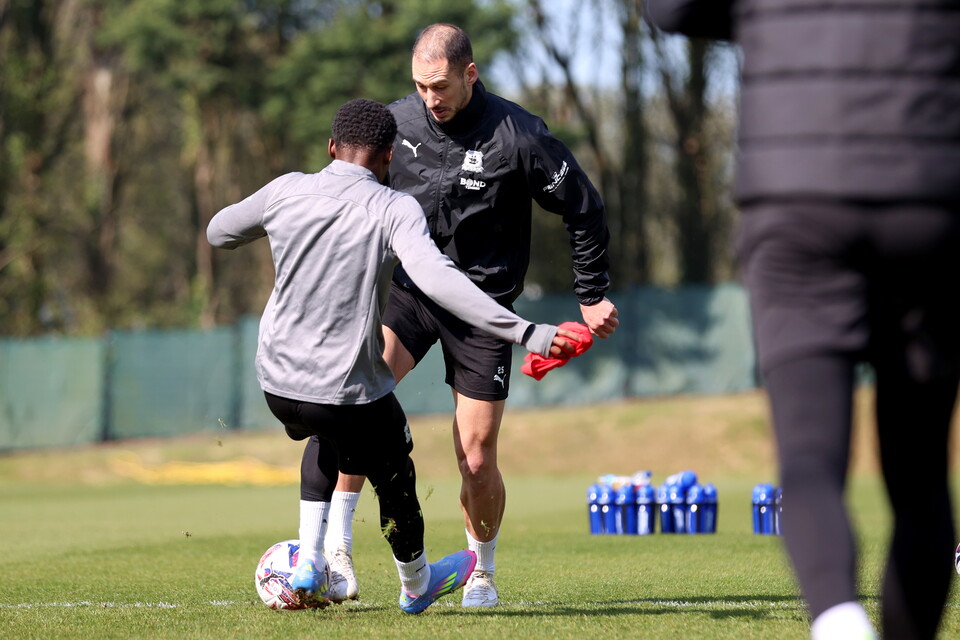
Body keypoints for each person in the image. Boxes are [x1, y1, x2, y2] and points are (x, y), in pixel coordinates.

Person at [647, 2, 960, 639]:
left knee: (811, 460)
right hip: (929, 194)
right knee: (923, 473)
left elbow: (670, 8)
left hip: (798, 201)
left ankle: (840, 621)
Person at [206, 98, 580, 614]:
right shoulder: (391, 207)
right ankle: (417, 582)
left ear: (331, 147)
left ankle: (312, 563)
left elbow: (219, 231)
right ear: (388, 157)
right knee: (396, 471)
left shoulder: (286, 189)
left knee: (334, 437)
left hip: (277, 385)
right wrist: (526, 332)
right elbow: (440, 281)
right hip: (339, 389)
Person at [302, 23, 620, 607]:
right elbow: (345, 193)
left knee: (475, 454)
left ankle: (482, 570)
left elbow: (585, 208)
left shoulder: (520, 135)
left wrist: (591, 291)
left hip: (485, 309)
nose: (430, 99)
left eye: (440, 86)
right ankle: (333, 555)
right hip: (411, 295)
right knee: (350, 404)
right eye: (421, 87)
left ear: (469, 74)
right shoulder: (395, 125)